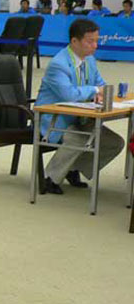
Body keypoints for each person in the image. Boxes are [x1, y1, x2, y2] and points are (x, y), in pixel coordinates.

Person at [35, 19, 124, 194]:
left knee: (115, 143)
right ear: (74, 41)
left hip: (80, 117)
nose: (95, 46)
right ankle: (50, 178)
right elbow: (69, 95)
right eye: (90, 41)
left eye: (97, 40)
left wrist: (99, 92)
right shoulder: (58, 64)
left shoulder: (90, 60)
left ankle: (70, 168)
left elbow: (101, 85)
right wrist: (93, 90)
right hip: (53, 121)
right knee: (80, 137)